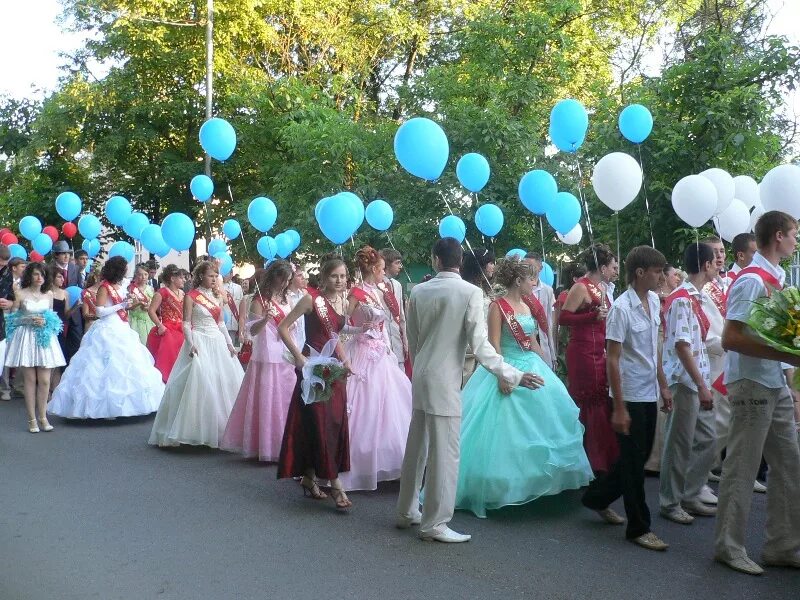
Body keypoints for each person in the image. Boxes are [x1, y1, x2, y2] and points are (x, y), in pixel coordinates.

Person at [395, 238, 542, 543]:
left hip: (421, 374)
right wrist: (513, 373)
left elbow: (413, 338)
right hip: (446, 379)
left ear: (435, 259)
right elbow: (480, 346)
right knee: (445, 453)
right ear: (459, 261)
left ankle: (408, 509)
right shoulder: (471, 292)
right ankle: (434, 523)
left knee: (417, 447)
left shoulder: (418, 291)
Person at [454, 257, 593, 518]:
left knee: (543, 423)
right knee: (503, 431)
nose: (534, 283)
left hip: (531, 364)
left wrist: (547, 365)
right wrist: (501, 377)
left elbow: (530, 339)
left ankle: (540, 482)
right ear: (518, 280)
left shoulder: (527, 305)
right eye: (531, 279)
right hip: (507, 365)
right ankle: (500, 485)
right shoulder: (498, 306)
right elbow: (494, 345)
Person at [714, 211, 800, 575]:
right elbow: (730, 338)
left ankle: (782, 545)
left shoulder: (777, 279)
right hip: (750, 383)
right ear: (778, 236)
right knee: (742, 467)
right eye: (794, 234)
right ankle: (728, 547)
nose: (796, 241)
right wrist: (788, 354)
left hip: (772, 382)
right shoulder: (752, 280)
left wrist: (790, 378)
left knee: (790, 465)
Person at [581, 246, 671, 552]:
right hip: (628, 394)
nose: (662, 277)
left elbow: (653, 349)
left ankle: (596, 497)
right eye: (658, 272)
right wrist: (619, 407)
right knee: (634, 465)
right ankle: (639, 527)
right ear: (640, 273)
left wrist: (663, 384)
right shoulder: (620, 309)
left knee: (639, 456)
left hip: (649, 391)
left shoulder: (655, 301)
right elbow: (613, 359)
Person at [277, 256, 358, 510]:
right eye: (334, 276)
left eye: (343, 276)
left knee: (331, 424)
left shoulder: (341, 303)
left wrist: (346, 361)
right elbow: (283, 327)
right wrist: (300, 357)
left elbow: (336, 337)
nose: (339, 280)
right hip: (314, 371)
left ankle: (310, 478)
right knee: (321, 423)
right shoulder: (311, 300)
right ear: (323, 277)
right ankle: (335, 484)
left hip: (333, 371)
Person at [48, 256, 165, 419]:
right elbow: (100, 311)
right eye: (124, 267)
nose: (127, 270)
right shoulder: (104, 287)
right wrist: (121, 305)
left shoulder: (120, 286)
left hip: (121, 326)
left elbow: (124, 306)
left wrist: (131, 304)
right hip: (107, 327)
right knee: (101, 366)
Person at [149, 261, 244, 448]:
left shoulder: (217, 297)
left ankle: (220, 429)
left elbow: (221, 324)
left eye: (216, 276)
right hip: (199, 340)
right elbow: (186, 323)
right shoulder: (191, 296)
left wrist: (229, 344)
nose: (214, 279)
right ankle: (195, 430)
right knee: (200, 383)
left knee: (221, 382)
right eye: (210, 276)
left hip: (216, 340)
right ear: (201, 276)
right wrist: (191, 343)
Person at [340, 246, 412, 491]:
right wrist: (359, 329)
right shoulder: (356, 293)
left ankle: (388, 457)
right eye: (382, 269)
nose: (384, 274)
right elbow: (340, 326)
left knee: (391, 404)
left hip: (382, 352)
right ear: (373, 269)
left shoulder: (379, 291)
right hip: (362, 351)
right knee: (364, 406)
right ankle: (357, 460)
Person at [659, 243, 718, 524]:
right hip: (685, 381)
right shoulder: (682, 299)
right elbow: (683, 346)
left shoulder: (696, 297)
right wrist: (701, 384)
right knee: (679, 443)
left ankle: (691, 494)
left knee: (707, 438)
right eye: (715, 259)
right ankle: (670, 502)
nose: (719, 263)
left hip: (698, 380)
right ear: (705, 265)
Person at [222, 262, 297, 461]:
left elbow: (290, 323)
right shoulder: (259, 300)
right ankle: (267, 443)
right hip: (267, 353)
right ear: (274, 277)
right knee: (269, 398)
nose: (285, 283)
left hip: (286, 349)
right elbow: (252, 331)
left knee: (287, 396)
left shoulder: (287, 298)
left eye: (288, 279)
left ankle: (287, 441)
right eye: (283, 278)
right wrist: (265, 319)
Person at [559, 244, 620, 473]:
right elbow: (563, 318)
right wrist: (590, 316)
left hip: (598, 349)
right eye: (613, 267)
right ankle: (588, 456)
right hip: (583, 351)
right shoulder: (580, 287)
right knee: (588, 400)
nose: (616, 271)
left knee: (600, 397)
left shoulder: (601, 287)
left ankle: (601, 453)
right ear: (603, 268)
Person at [4, 262, 65, 431]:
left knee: (45, 381)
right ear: (29, 275)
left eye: (43, 275)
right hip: (26, 338)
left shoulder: (49, 294)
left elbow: (54, 319)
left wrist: (46, 321)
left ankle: (43, 417)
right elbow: (11, 320)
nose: (40, 278)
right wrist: (28, 320)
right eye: (36, 274)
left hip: (44, 338)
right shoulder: (21, 294)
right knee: (30, 380)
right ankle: (32, 420)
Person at [460, 247, 495, 386]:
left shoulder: (488, 289)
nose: (493, 267)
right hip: (470, 346)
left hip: (488, 344)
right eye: (490, 263)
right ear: (479, 265)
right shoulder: (466, 289)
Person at [146, 265, 186, 382]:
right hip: (169, 329)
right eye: (181, 278)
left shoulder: (183, 293)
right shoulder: (162, 292)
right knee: (170, 358)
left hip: (182, 327)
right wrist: (160, 325)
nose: (184, 280)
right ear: (172, 278)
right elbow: (151, 310)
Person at [52, 242, 86, 363]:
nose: (66, 256)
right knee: (57, 343)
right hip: (56, 309)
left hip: (74, 309)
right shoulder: (48, 268)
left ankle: (72, 369)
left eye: (68, 253)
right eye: (62, 254)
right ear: (56, 255)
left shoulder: (75, 268)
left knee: (77, 341)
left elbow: (80, 288)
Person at [523, 252, 557, 370]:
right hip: (523, 340)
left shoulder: (547, 291)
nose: (527, 270)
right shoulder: (517, 289)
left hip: (541, 340)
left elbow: (548, 322)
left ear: (540, 268)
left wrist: (553, 354)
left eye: (531, 266)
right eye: (524, 266)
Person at [381, 248, 410, 376]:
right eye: (397, 263)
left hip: (397, 342)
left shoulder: (397, 285)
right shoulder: (375, 285)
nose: (400, 266)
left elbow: (401, 316)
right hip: (382, 344)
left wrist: (405, 341)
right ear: (386, 264)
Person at [48, 266, 71, 392]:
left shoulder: (65, 293)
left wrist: (75, 307)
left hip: (61, 329)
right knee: (50, 361)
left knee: (59, 360)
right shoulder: (46, 293)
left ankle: (54, 390)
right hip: (49, 329)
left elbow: (66, 314)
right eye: (59, 276)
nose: (62, 279)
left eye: (63, 276)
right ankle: (46, 391)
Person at [0, 245, 16, 401]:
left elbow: (12, 297)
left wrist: (9, 304)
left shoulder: (7, 274)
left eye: (5, 264)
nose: (2, 267)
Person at [128, 263, 155, 345]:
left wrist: (149, 307)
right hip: (135, 320)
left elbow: (154, 305)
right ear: (136, 275)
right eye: (140, 275)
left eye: (145, 274)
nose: (143, 277)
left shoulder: (150, 288)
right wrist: (139, 304)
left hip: (148, 319)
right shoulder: (131, 288)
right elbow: (129, 306)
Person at [285, 264, 307, 350]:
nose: (303, 278)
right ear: (291, 278)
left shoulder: (303, 294)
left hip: (302, 339)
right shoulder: (285, 296)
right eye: (299, 275)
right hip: (290, 341)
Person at [223, 272, 244, 346]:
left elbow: (242, 313)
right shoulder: (217, 287)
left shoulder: (238, 288)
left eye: (227, 272)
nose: (224, 274)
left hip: (234, 327)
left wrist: (241, 332)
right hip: (221, 326)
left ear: (231, 274)